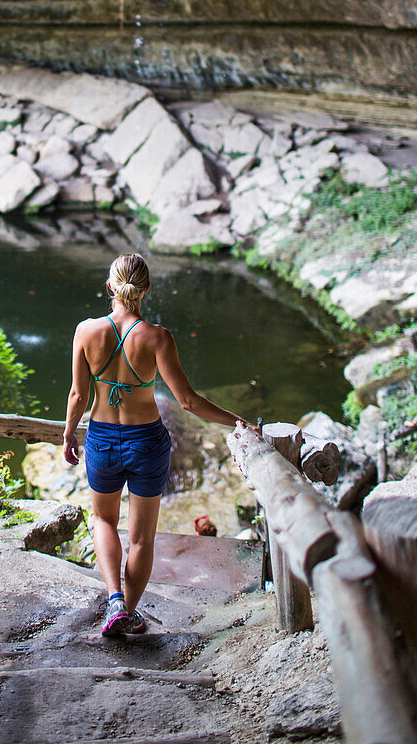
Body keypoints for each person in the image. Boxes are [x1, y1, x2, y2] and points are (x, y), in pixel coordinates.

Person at [63, 252, 255, 637]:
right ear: (146, 289)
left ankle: (114, 599)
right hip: (147, 442)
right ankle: (127, 613)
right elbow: (188, 401)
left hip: (101, 438)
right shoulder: (158, 338)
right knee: (141, 537)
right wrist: (238, 422)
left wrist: (68, 435)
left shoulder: (86, 331)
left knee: (103, 519)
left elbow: (77, 396)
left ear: (109, 286)